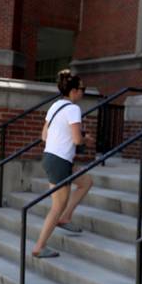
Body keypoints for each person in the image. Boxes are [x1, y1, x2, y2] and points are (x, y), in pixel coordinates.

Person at [32, 70, 94, 258]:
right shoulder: (73, 109)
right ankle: (39, 247)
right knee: (56, 206)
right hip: (60, 161)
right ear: (74, 91)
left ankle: (66, 217)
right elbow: (76, 140)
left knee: (86, 182)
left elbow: (44, 136)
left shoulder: (55, 106)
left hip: (52, 157)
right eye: (82, 89)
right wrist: (87, 139)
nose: (83, 92)